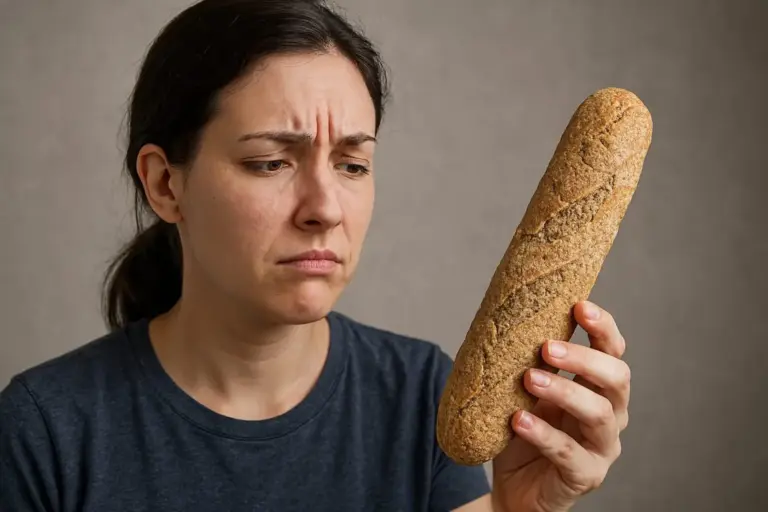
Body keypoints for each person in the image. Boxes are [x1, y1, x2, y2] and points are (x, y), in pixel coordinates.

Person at [0, 1, 632, 510]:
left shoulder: (421, 400)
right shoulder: (44, 430)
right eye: (270, 162)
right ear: (166, 183)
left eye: (353, 164)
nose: (324, 207)